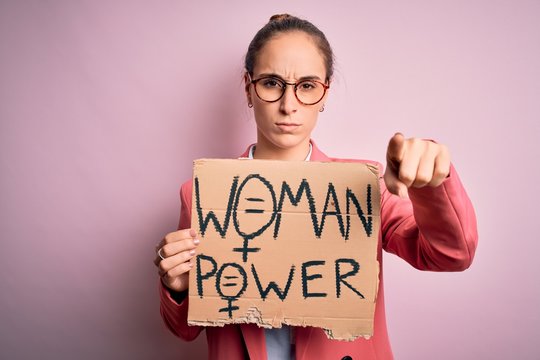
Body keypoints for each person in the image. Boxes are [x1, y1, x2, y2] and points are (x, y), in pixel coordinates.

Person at [154, 14, 478, 360]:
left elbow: (451, 255)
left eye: (307, 86)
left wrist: (430, 183)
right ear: (249, 88)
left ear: (325, 92)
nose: (288, 105)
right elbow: (185, 330)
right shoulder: (202, 194)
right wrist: (177, 287)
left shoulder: (363, 188)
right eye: (271, 83)